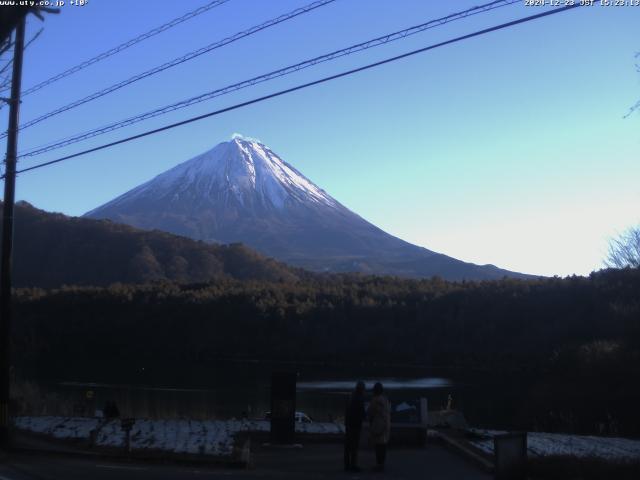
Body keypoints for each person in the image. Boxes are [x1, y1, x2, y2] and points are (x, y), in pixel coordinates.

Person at [367, 382, 390, 472]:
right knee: (383, 445)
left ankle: (379, 464)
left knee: (378, 446)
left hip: (378, 425)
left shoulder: (375, 400)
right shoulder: (385, 399)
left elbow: (370, 412)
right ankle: (382, 464)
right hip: (386, 424)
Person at [344, 381, 366, 472]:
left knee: (348, 445)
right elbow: (362, 414)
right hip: (355, 425)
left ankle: (347, 465)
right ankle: (353, 465)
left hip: (349, 424)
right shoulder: (359, 399)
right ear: (361, 389)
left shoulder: (352, 397)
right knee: (354, 446)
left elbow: (348, 410)